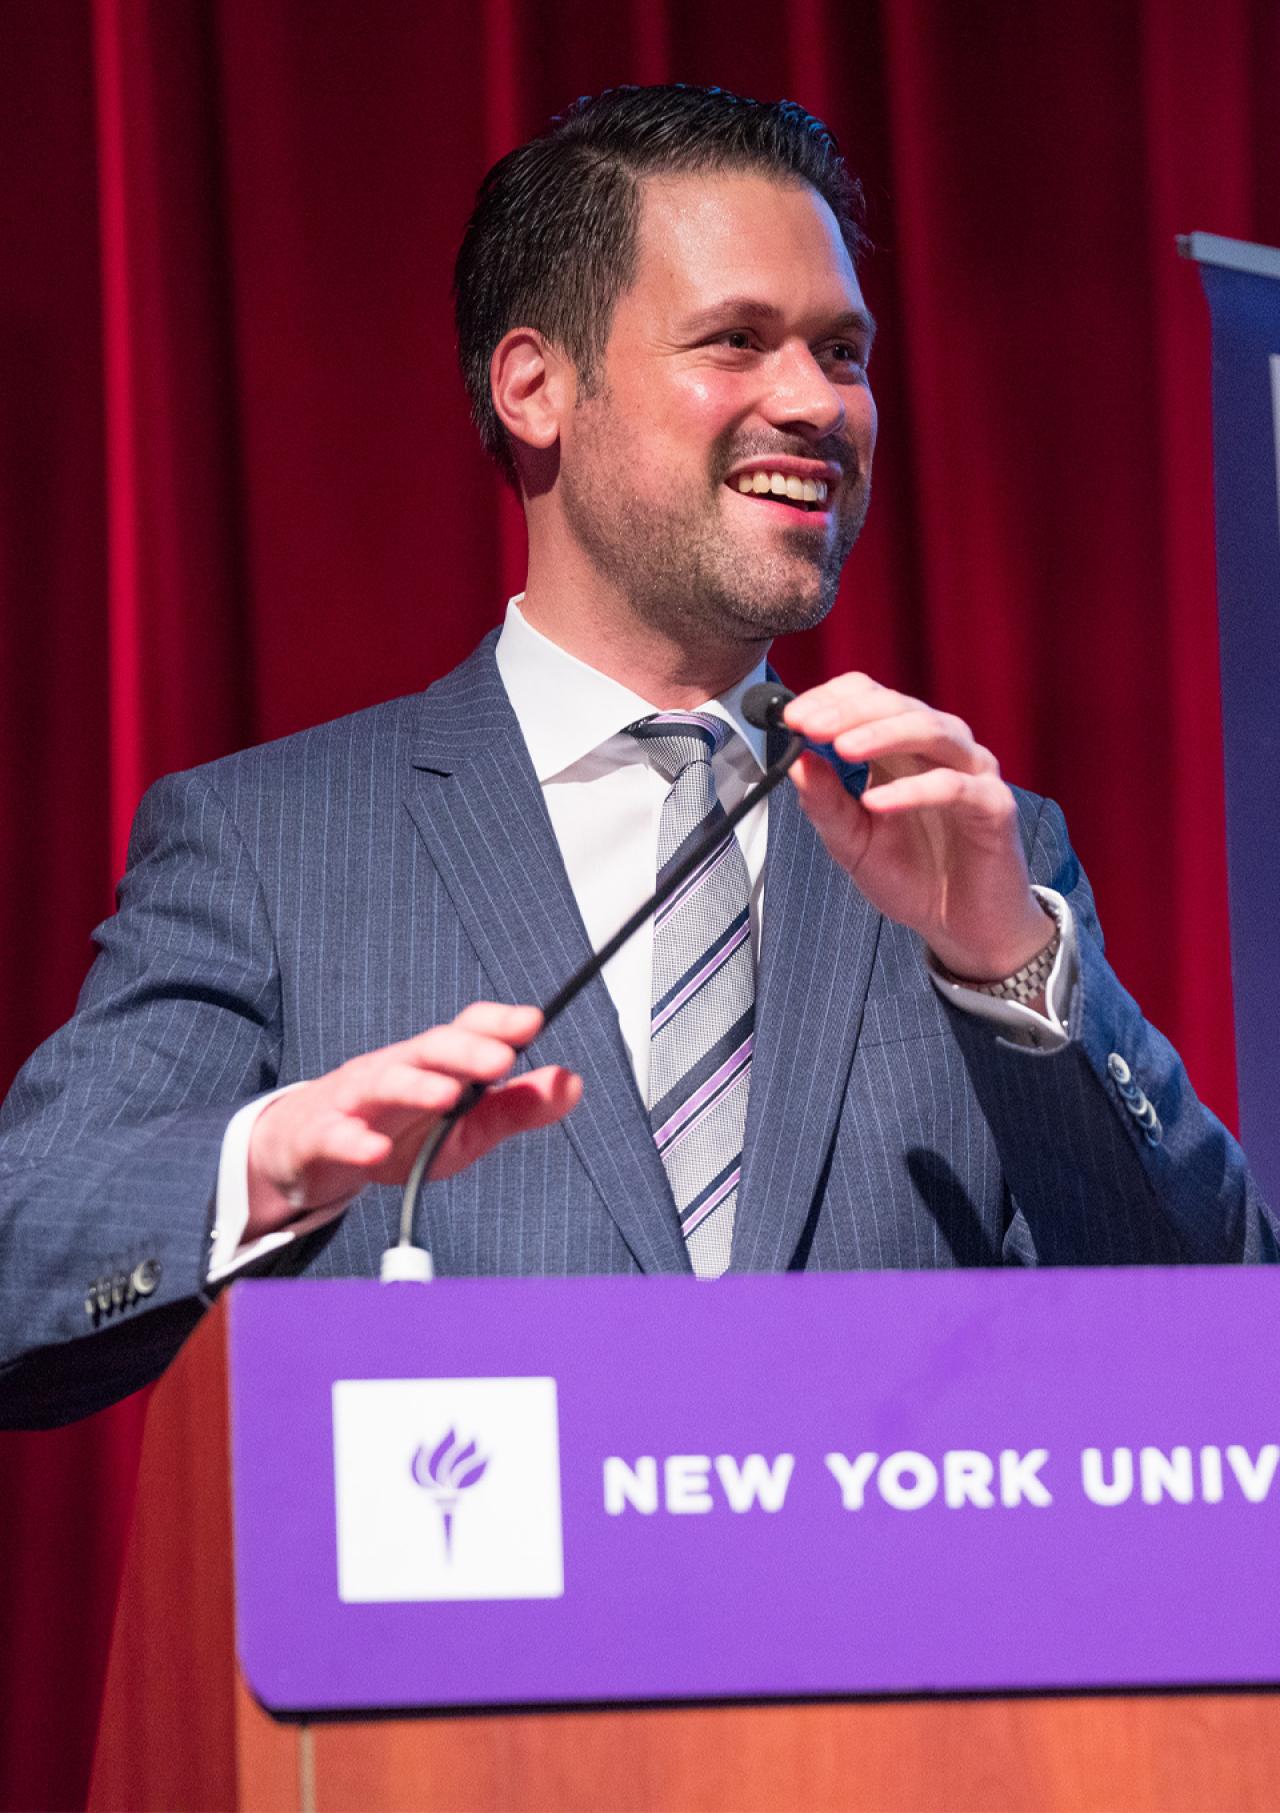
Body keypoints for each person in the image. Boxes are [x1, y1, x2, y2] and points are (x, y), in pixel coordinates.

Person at [0, 85, 1272, 1428]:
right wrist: (270, 1163)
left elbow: (1228, 1348)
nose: (816, 402)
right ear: (536, 388)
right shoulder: (277, 846)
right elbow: (24, 1264)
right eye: (737, 340)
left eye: (843, 352)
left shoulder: (968, 849)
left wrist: (1009, 970)